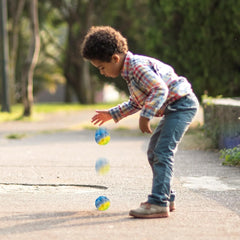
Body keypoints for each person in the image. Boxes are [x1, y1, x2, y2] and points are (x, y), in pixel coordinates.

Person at [81, 26, 199, 218]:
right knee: (154, 151)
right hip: (176, 106)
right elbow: (136, 101)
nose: (102, 72)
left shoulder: (137, 67)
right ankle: (166, 197)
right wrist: (112, 114)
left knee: (162, 151)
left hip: (182, 104)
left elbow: (160, 90)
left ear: (115, 59)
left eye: (101, 67)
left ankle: (159, 202)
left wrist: (146, 116)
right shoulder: (130, 72)